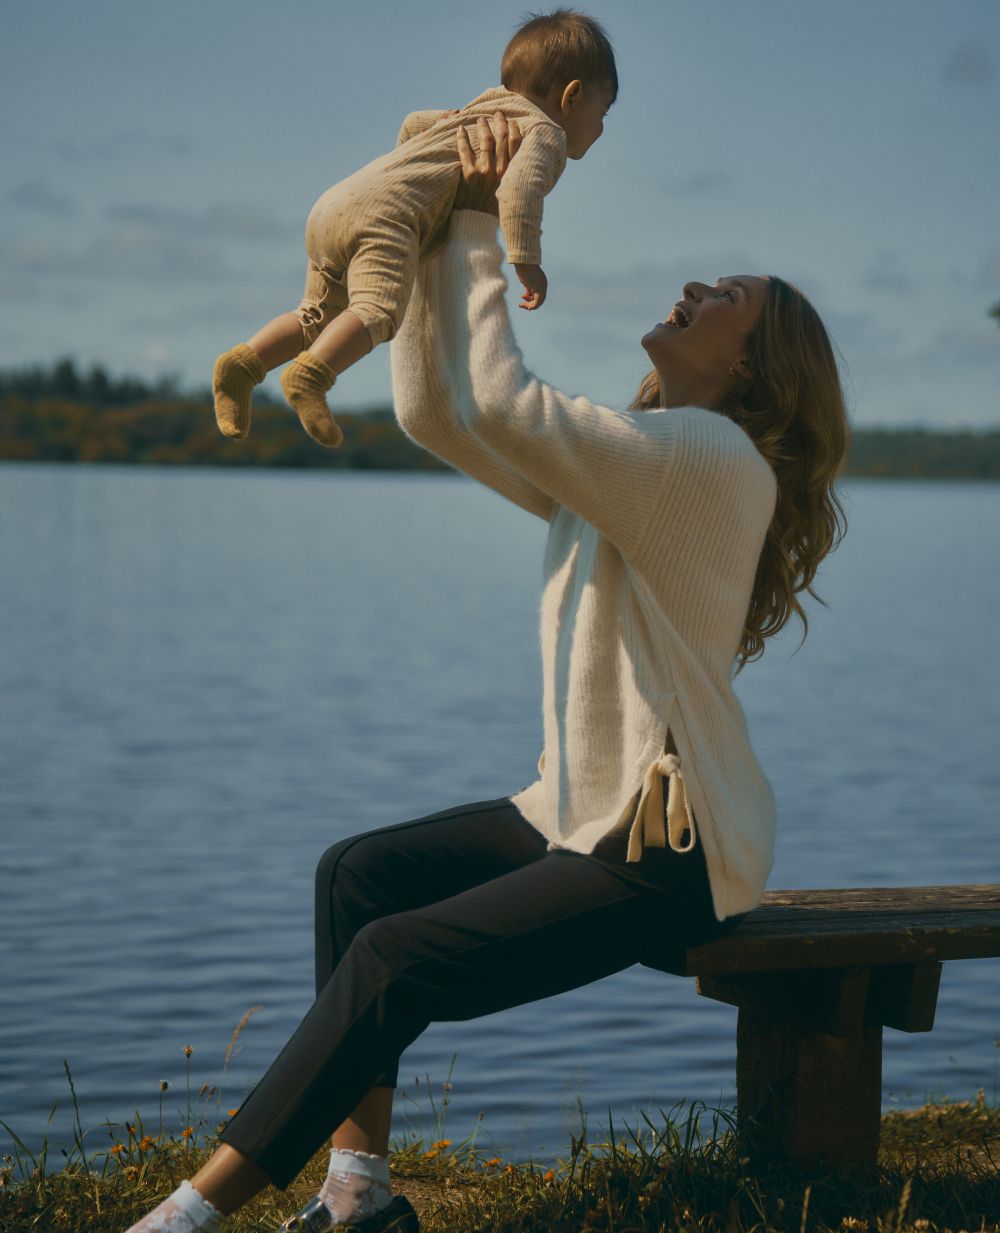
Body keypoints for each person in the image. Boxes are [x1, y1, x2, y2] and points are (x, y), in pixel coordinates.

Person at [125, 112, 849, 1233]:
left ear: (751, 360)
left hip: (663, 852)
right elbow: (444, 415)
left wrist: (477, 215)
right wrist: (432, 225)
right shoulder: (642, 466)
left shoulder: (707, 461)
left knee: (391, 957)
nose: (694, 287)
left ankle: (186, 1217)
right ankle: (358, 1196)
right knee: (356, 876)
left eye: (726, 294)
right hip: (578, 816)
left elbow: (502, 401)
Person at [211, 9, 617, 451]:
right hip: (388, 216)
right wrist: (528, 262)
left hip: (337, 201)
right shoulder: (545, 134)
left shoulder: (478, 108)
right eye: (603, 112)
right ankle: (311, 377)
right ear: (571, 97)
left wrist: (413, 172)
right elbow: (519, 193)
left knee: (315, 314)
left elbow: (412, 122)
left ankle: (243, 364)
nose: (601, 129)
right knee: (377, 311)